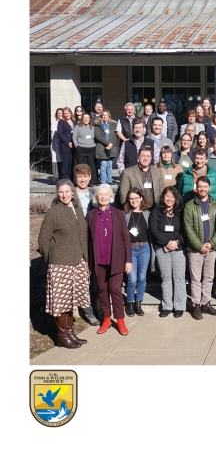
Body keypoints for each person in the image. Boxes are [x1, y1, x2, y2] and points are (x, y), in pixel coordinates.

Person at [38, 180, 91, 348]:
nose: (64, 195)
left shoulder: (77, 208)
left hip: (78, 261)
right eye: (61, 192)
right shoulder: (54, 212)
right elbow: (43, 240)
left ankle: (70, 333)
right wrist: (52, 258)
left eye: (67, 191)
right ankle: (62, 336)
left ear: (72, 192)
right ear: (57, 193)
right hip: (60, 264)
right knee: (61, 301)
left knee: (71, 299)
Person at [86, 184, 132, 336]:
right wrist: (87, 261)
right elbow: (87, 240)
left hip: (116, 260)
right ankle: (106, 319)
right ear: (96, 197)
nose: (103, 197)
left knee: (115, 290)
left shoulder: (118, 214)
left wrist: (128, 260)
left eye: (106, 194)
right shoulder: (91, 215)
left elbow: (126, 238)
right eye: (100, 194)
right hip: (98, 260)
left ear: (111, 197)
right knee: (102, 290)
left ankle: (120, 321)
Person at [184, 176, 216, 321]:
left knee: (209, 277)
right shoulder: (190, 206)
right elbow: (188, 228)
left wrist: (211, 243)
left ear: (209, 188)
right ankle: (196, 305)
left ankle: (206, 303)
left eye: (205, 186)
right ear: (196, 187)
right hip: (195, 250)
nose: (202, 189)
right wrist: (199, 246)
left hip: (211, 249)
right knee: (195, 278)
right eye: (200, 186)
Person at [149, 186, 186, 318]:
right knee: (166, 277)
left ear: (176, 198)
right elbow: (154, 230)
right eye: (167, 196)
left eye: (172, 196)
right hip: (162, 248)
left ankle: (179, 306)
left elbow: (184, 231)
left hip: (178, 248)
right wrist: (167, 243)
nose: (169, 199)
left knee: (179, 277)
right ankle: (167, 306)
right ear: (163, 197)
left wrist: (176, 242)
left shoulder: (180, 211)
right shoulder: (156, 211)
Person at [123, 187, 151, 318]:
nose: (134, 201)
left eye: (136, 198)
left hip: (144, 247)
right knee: (132, 279)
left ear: (141, 198)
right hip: (130, 249)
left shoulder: (147, 214)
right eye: (131, 199)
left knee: (142, 278)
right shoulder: (125, 214)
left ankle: (138, 303)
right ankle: (130, 303)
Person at [72, 113, 98, 186]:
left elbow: (96, 137)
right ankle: (81, 181)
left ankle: (92, 182)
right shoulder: (77, 127)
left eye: (87, 118)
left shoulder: (93, 127)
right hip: (81, 149)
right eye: (84, 118)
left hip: (91, 149)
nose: (86, 119)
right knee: (82, 167)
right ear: (82, 119)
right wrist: (76, 145)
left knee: (91, 166)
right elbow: (74, 137)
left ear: (90, 119)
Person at [93, 110, 118, 185]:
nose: (105, 116)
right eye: (103, 115)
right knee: (103, 165)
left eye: (106, 115)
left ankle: (109, 180)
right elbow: (98, 136)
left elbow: (115, 135)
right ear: (101, 116)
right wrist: (107, 143)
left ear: (109, 116)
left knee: (109, 164)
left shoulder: (114, 124)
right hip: (102, 147)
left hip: (111, 147)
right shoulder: (98, 125)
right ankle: (103, 181)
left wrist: (111, 144)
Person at [57, 107, 75, 180]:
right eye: (65, 113)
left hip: (74, 145)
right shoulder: (61, 122)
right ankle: (65, 179)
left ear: (71, 113)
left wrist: (74, 143)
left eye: (68, 113)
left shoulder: (74, 122)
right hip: (65, 145)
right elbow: (60, 133)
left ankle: (71, 178)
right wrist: (68, 142)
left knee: (72, 162)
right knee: (65, 163)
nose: (67, 115)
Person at [51, 108, 64, 179]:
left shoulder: (65, 122)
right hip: (56, 142)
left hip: (64, 143)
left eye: (61, 113)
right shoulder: (54, 123)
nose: (60, 115)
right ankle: (58, 176)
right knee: (57, 159)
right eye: (58, 113)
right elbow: (55, 133)